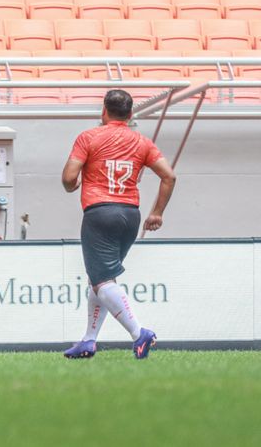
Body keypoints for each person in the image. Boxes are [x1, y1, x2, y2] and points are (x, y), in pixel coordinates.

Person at [61, 89, 176, 359]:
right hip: (130, 216)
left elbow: (68, 178)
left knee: (102, 281)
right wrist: (157, 212)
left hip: (100, 212)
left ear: (104, 110)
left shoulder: (88, 137)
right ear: (131, 114)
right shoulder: (143, 142)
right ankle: (89, 340)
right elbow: (169, 176)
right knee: (100, 279)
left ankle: (139, 334)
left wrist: (74, 184)